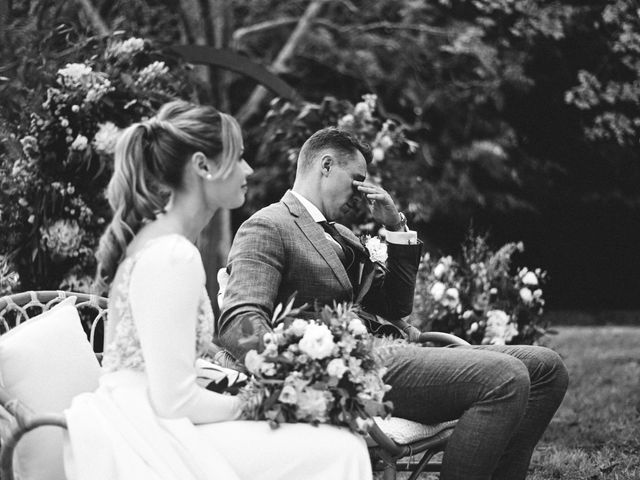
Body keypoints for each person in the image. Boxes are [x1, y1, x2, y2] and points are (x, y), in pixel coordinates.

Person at [217, 127, 569, 480]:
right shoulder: (268, 225)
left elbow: (395, 308)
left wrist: (396, 226)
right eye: (355, 180)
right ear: (325, 165)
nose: (359, 193)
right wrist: (291, 372)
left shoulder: (344, 235)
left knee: (547, 368)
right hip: (353, 365)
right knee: (505, 377)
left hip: (397, 350)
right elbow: (239, 319)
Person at [63, 103, 372, 480]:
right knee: (340, 450)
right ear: (203, 166)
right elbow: (175, 400)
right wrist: (264, 402)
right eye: (239, 157)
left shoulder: (167, 243)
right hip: (146, 432)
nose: (249, 170)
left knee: (337, 443)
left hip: (151, 414)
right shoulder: (173, 255)